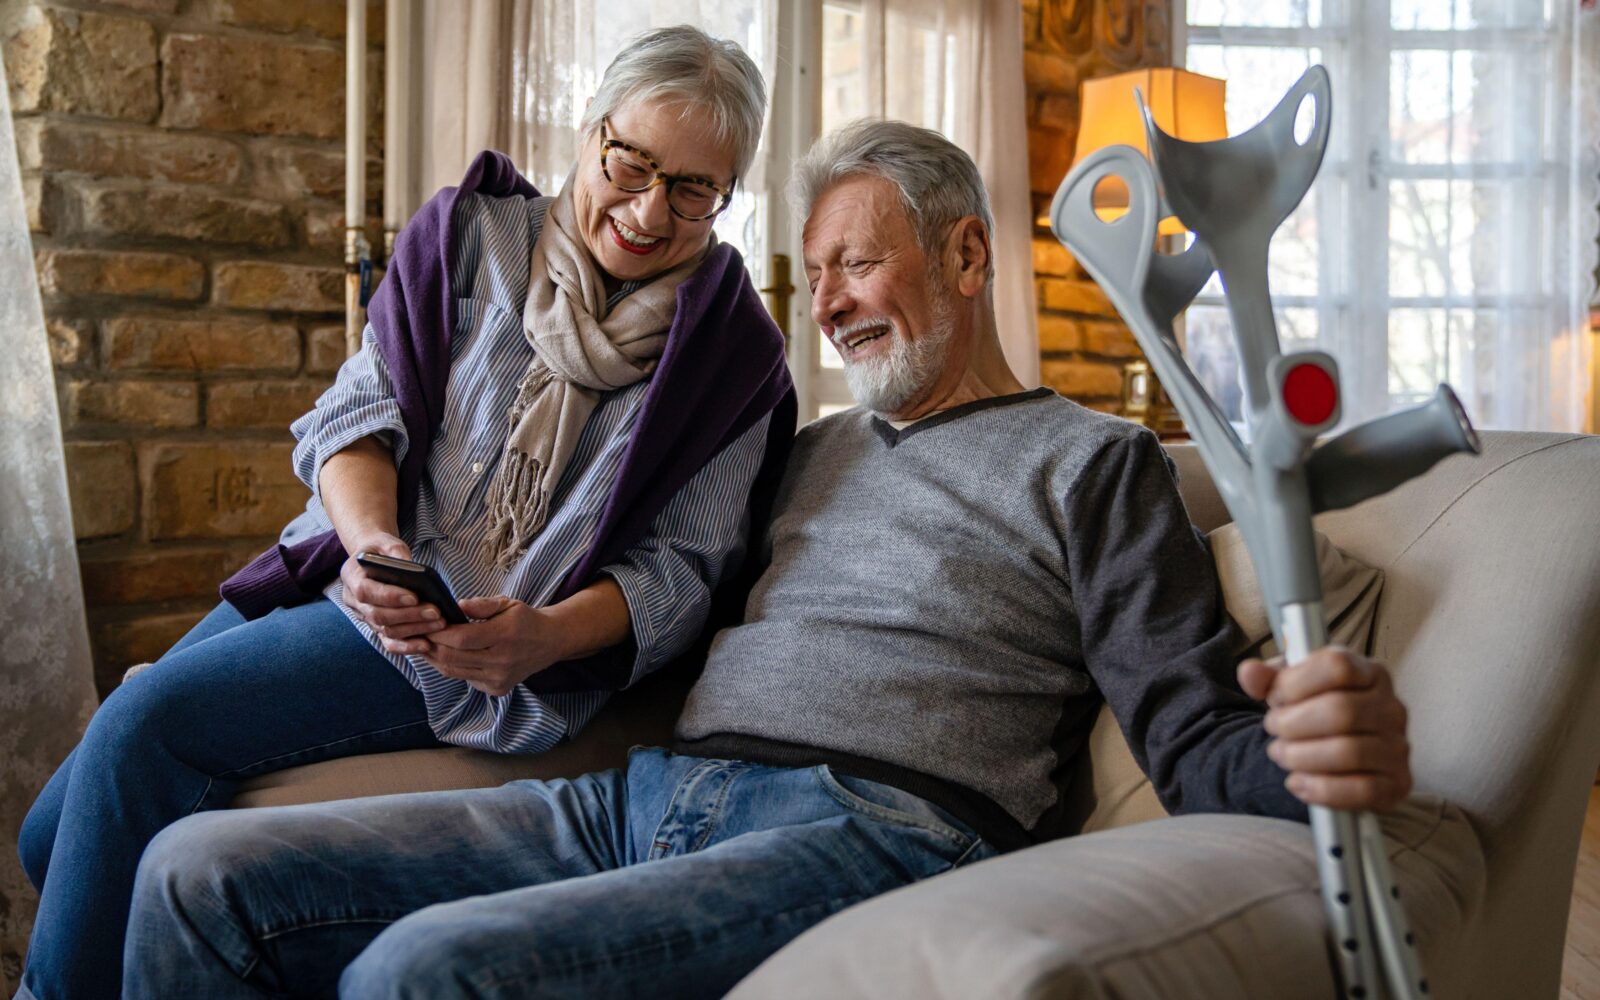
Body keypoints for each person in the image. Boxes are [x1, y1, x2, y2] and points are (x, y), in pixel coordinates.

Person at [119, 121, 1411, 1000]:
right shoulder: (813, 446)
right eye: (820, 277)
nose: (835, 304)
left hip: (878, 827)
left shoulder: (1094, 461)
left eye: (861, 261)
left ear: (967, 255)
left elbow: (1194, 729)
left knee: (425, 972)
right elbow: (661, 589)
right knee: (195, 875)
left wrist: (1318, 758)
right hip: (646, 797)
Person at [14, 26, 793, 1000]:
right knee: (52, 833)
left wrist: (543, 637)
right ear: (593, 132)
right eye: (631, 161)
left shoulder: (738, 357)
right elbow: (358, 413)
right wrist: (373, 542)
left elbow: (682, 572)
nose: (647, 209)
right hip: (348, 568)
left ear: (726, 198)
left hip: (469, 650)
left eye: (692, 189)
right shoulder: (475, 235)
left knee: (144, 729)